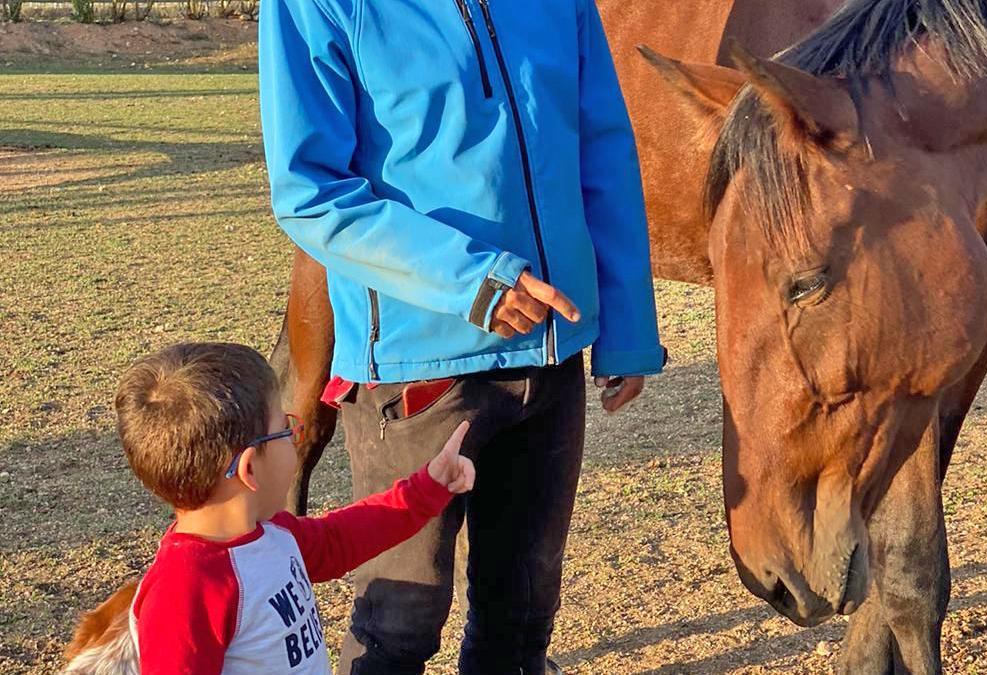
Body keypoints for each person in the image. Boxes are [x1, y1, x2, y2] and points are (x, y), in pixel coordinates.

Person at [258, 0, 666, 673]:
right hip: (416, 370)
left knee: (523, 617)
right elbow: (310, 191)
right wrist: (474, 282)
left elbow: (601, 145)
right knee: (400, 623)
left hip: (549, 358)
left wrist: (625, 327)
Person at [114, 342, 475, 674]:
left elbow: (340, 539)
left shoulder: (271, 533)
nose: (295, 435)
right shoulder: (184, 591)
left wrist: (428, 487)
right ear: (250, 467)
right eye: (285, 428)